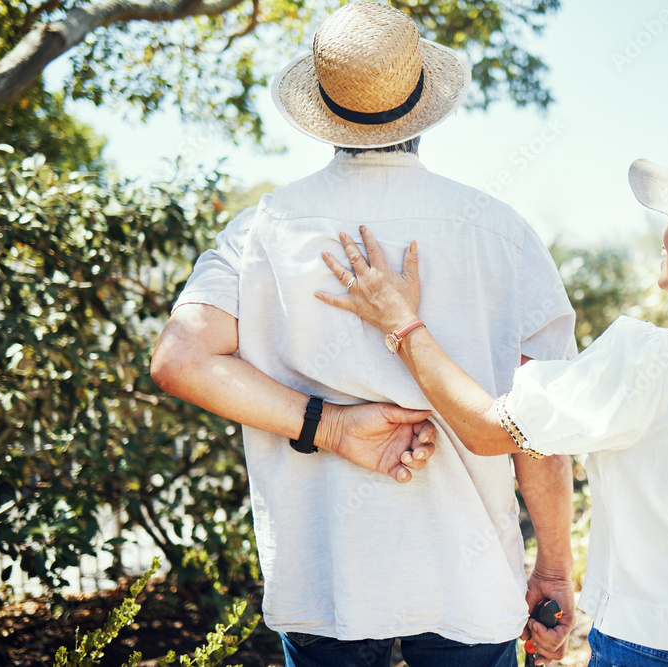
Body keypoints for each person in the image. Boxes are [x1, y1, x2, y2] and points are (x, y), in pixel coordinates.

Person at [150, 2, 578, 665]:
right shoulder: (502, 232)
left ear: (325, 111)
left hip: (326, 579)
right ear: (421, 106)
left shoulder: (261, 230)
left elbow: (181, 358)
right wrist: (553, 568)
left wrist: (331, 426)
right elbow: (540, 431)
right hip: (470, 578)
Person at [317, 158, 668, 665]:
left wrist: (400, 320)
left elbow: (486, 430)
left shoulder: (652, 359)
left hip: (654, 646)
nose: (667, 229)